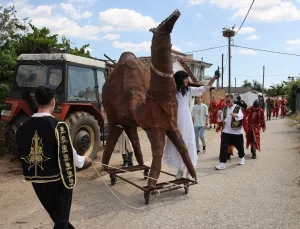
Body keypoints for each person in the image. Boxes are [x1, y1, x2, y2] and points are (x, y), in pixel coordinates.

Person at [16, 86, 91, 229]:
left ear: (36, 103)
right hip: (59, 180)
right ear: (53, 103)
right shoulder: (58, 126)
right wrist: (83, 160)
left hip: (37, 181)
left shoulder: (21, 128)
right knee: (61, 220)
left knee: (57, 217)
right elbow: (69, 153)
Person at [164, 69, 220, 179]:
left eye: (187, 78)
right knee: (177, 143)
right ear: (179, 80)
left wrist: (214, 78)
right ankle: (180, 169)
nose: (186, 80)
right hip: (176, 119)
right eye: (184, 78)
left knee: (187, 143)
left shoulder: (189, 90)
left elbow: (204, 88)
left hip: (186, 119)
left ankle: (190, 170)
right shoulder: (173, 92)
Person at [215, 94, 245, 170]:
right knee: (223, 147)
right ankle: (222, 163)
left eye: (229, 101)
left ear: (232, 100)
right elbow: (220, 119)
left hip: (236, 132)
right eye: (226, 101)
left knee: (240, 147)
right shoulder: (225, 109)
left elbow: (242, 116)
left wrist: (236, 115)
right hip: (226, 131)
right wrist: (218, 115)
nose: (227, 102)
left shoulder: (238, 108)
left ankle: (241, 157)